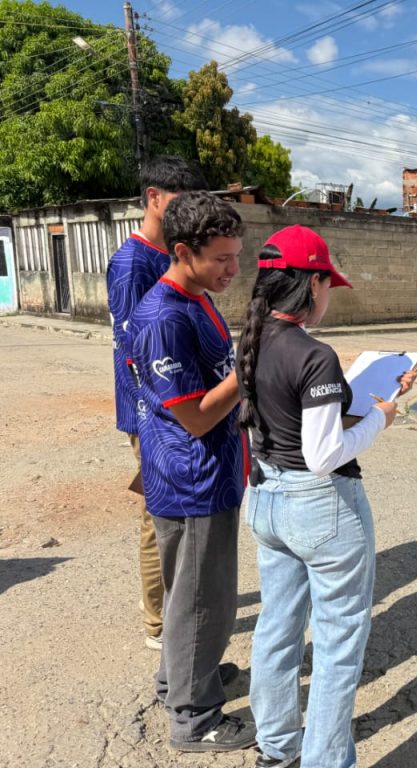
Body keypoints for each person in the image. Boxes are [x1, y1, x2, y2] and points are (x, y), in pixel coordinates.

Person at [237, 225, 416, 768]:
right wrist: (382, 418)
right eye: (328, 285)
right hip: (320, 508)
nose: (329, 295)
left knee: (277, 627)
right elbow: (323, 454)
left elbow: (291, 419)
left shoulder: (250, 338)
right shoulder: (315, 355)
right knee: (338, 645)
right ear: (311, 283)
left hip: (266, 498)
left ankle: (277, 747)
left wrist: (366, 400)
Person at [129, 191, 255, 752]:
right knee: (204, 602)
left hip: (204, 473)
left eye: (237, 256)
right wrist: (249, 367)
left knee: (192, 596)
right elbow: (197, 416)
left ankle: (180, 678)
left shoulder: (197, 296)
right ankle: (194, 718)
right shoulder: (164, 317)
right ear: (183, 252)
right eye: (222, 259)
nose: (233, 269)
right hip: (191, 481)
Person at [106, 156, 208, 651]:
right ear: (153, 198)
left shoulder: (170, 252)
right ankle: (158, 622)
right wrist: (168, 415)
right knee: (158, 514)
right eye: (179, 202)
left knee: (175, 513)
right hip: (153, 409)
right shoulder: (133, 263)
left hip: (177, 404)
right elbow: (134, 351)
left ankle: (176, 604)